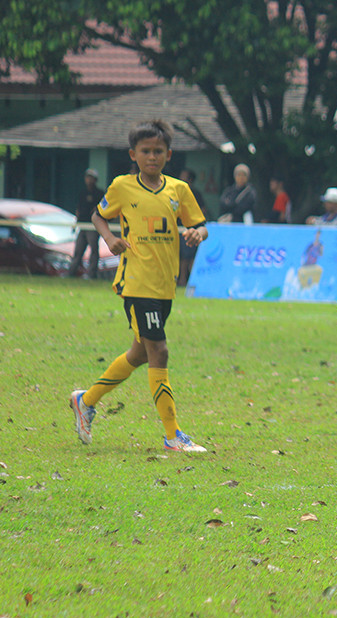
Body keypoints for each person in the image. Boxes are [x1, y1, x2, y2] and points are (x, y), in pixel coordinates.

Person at [70, 119, 209, 453]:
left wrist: (195, 234)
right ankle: (173, 435)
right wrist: (109, 239)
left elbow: (201, 227)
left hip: (165, 287)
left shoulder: (178, 190)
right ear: (133, 154)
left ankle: (85, 400)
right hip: (136, 283)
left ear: (168, 155)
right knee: (159, 350)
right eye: (145, 151)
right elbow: (98, 215)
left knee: (139, 353)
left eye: (158, 151)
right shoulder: (122, 186)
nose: (152, 156)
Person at [67, 168, 105, 279]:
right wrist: (76, 223)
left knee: (93, 250)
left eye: (91, 178)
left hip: (92, 227)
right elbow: (78, 209)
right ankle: (72, 272)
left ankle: (92, 274)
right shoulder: (82, 193)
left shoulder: (99, 193)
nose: (89, 180)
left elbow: (102, 209)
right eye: (87, 177)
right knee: (78, 250)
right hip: (82, 226)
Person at [177, 168, 208, 287]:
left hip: (189, 230)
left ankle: (188, 280)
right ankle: (181, 279)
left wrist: (197, 229)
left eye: (185, 176)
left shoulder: (195, 194)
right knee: (181, 257)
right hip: (176, 229)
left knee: (189, 257)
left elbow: (202, 212)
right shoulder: (176, 191)